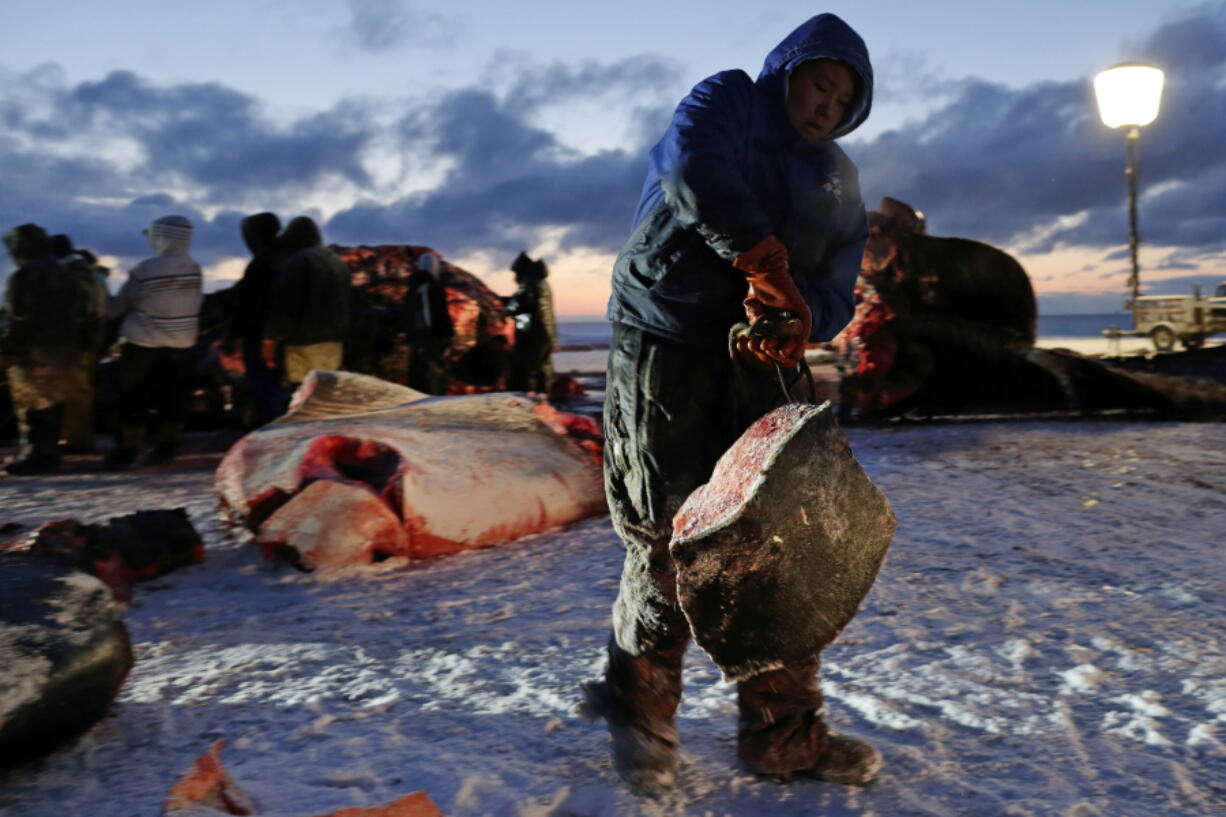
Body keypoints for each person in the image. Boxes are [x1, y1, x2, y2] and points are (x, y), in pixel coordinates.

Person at [585, 13, 879, 794]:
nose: (826, 105)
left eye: (843, 99)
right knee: (665, 540)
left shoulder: (836, 176)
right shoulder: (726, 103)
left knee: (777, 550)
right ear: (789, 70)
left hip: (761, 371)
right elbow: (694, 169)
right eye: (820, 83)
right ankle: (640, 720)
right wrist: (761, 263)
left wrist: (801, 318)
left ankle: (784, 734)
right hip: (667, 349)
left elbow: (839, 276)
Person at [105, 215, 204, 468]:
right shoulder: (194, 269)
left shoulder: (145, 269)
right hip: (182, 344)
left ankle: (127, 450)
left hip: (142, 345)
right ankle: (166, 447)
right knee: (172, 398)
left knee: (133, 397)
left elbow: (117, 309)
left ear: (161, 236)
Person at [0, 224, 81, 475]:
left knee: (32, 404)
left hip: (33, 351)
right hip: (61, 349)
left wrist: (8, 347)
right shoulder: (64, 272)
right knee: (51, 403)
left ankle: (37, 455)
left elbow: (20, 318)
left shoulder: (26, 275)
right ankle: (48, 453)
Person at [262, 217, 351, 390]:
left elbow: (285, 306)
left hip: (303, 343)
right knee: (327, 392)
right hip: (334, 342)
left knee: (303, 395)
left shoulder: (297, 262)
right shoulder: (337, 262)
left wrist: (270, 341)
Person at [50, 234, 111, 452]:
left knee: (75, 391)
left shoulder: (68, 273)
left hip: (74, 340)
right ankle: (76, 436)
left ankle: (76, 440)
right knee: (80, 390)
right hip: (90, 338)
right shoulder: (91, 273)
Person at [226, 212, 287, 425]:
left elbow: (248, 305)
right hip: (284, 337)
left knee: (266, 389)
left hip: (261, 338)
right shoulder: (287, 259)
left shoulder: (262, 264)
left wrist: (233, 335)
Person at [503, 251, 556, 393]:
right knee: (541, 368)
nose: (515, 277)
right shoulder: (541, 283)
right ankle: (543, 398)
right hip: (544, 333)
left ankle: (527, 400)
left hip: (533, 334)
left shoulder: (529, 284)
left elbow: (518, 304)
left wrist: (503, 305)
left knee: (525, 369)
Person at [404, 252, 454, 394]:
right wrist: (446, 335)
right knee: (432, 379)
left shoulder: (413, 288)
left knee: (418, 376)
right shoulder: (432, 287)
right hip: (430, 339)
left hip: (416, 339)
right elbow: (436, 313)